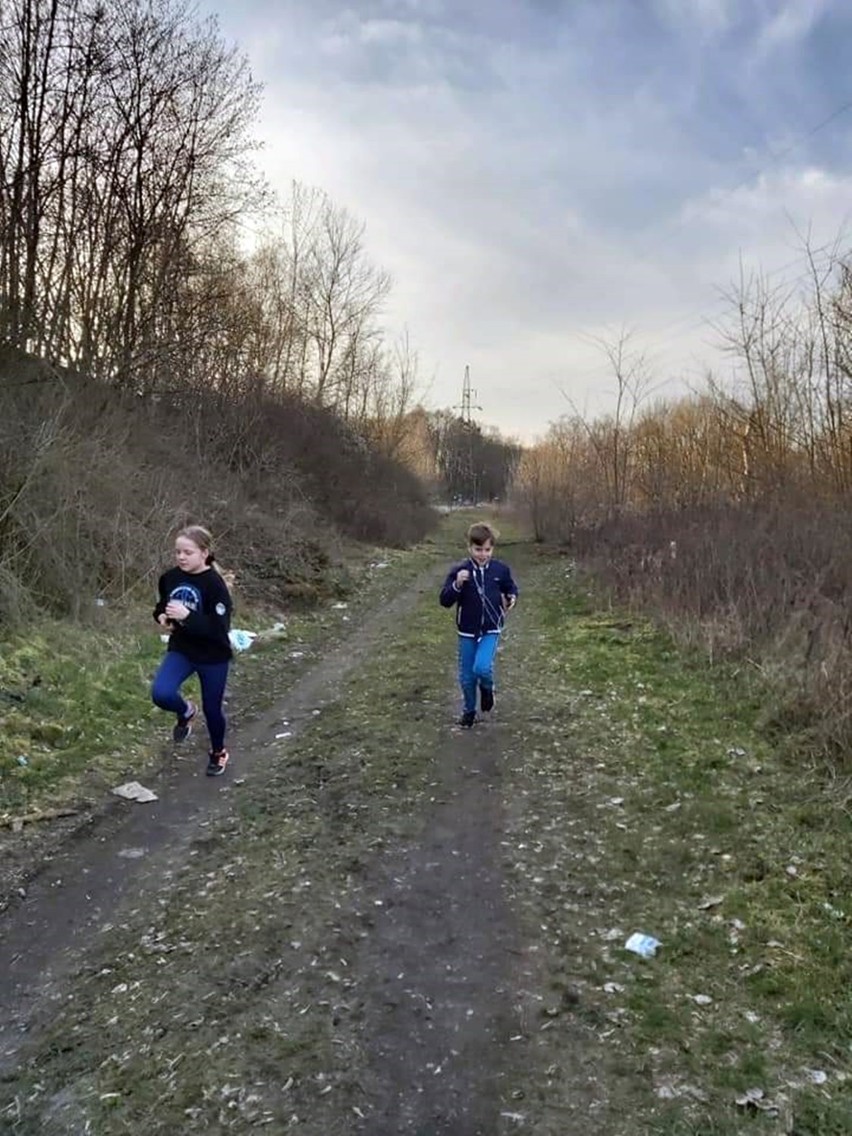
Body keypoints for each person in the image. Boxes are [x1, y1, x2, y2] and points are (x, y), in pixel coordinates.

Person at [151, 525, 233, 776]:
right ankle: (185, 711)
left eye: (188, 552)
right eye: (178, 552)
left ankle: (218, 752)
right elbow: (161, 606)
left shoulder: (215, 586)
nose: (181, 557)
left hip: (213, 656)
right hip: (182, 651)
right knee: (161, 693)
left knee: (212, 709)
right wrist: (162, 617)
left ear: (204, 553)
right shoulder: (170, 578)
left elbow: (218, 630)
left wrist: (188, 616)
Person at [439, 521, 519, 728]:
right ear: (469, 548)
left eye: (487, 549)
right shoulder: (460, 571)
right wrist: (457, 584)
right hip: (467, 630)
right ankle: (469, 711)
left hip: (491, 628)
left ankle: (487, 688)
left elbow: (511, 588)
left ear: (492, 548)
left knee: (482, 667)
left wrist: (511, 597)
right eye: (478, 549)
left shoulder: (500, 570)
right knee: (466, 677)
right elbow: (445, 600)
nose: (483, 554)